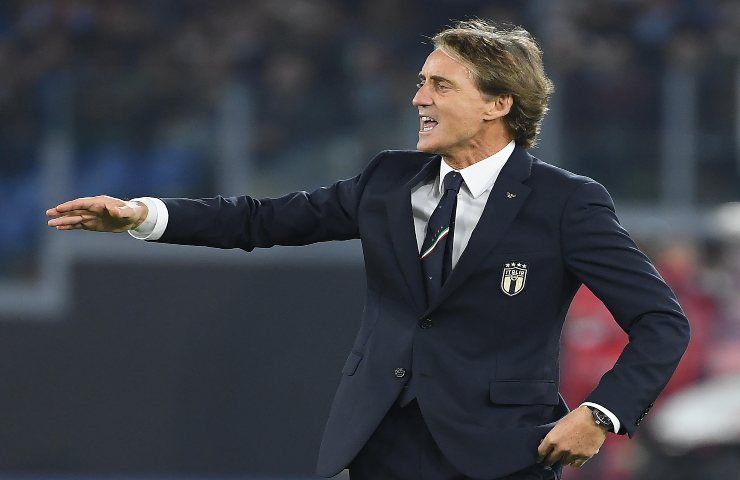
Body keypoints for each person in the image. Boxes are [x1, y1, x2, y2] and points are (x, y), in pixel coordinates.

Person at [46, 20, 690, 480]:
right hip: (380, 442)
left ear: (498, 103)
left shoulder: (565, 202)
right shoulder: (387, 180)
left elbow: (662, 321)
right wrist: (143, 215)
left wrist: (601, 414)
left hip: (500, 453)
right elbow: (262, 220)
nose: (419, 98)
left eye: (441, 85)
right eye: (421, 81)